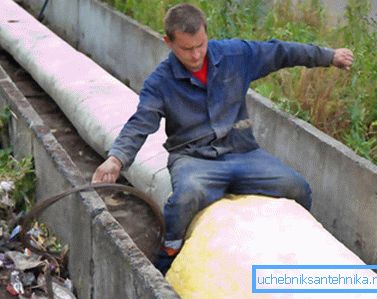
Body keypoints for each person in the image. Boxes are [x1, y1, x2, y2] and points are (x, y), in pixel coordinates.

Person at [91, 3, 354, 274]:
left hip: (243, 152)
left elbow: (280, 52)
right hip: (194, 159)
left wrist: (329, 56)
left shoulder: (235, 55)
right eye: (186, 49)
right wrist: (116, 159)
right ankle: (167, 258)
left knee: (298, 187)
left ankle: (294, 250)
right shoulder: (160, 82)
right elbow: (140, 123)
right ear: (168, 42)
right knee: (185, 198)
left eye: (200, 45)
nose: (196, 55)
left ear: (206, 35)